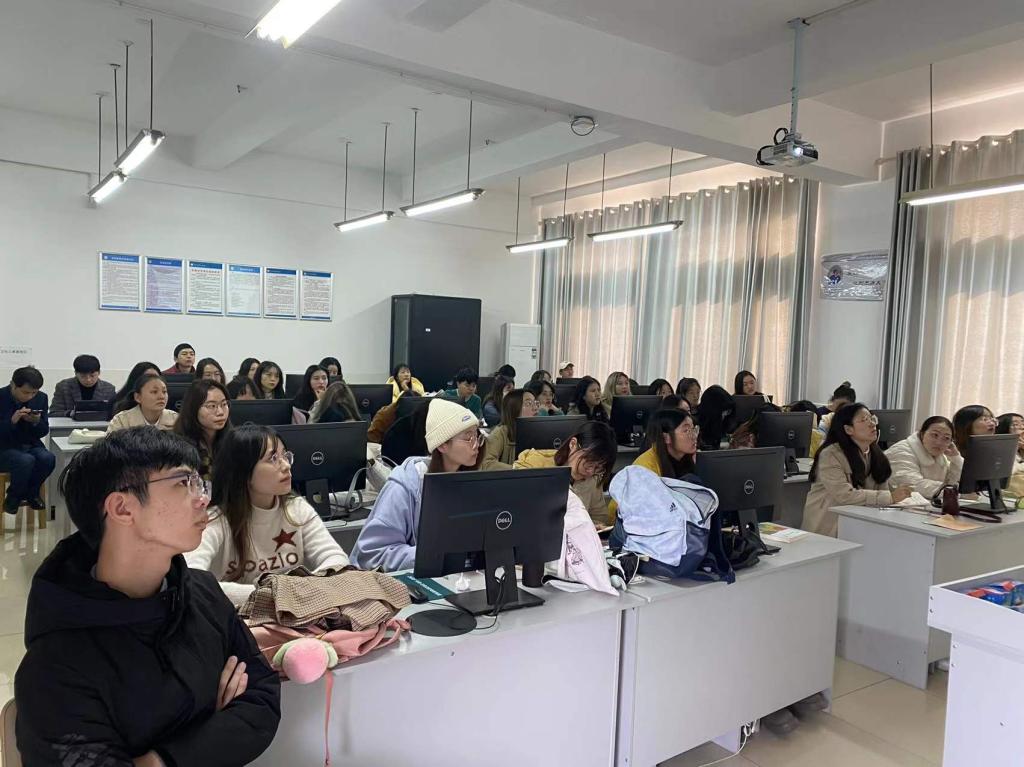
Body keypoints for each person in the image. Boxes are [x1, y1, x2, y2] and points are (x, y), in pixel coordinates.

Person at [15, 427, 281, 765]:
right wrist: (213, 726)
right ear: (122, 508)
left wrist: (159, 760)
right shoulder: (55, 667)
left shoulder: (202, 592)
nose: (203, 498)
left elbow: (263, 696)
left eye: (199, 482)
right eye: (183, 483)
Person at [186, 425, 350, 607]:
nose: (286, 465)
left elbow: (337, 560)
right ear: (244, 471)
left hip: (295, 612)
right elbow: (192, 578)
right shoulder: (215, 520)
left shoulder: (296, 509)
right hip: (237, 618)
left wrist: (297, 592)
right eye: (273, 458)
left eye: (285, 456)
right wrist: (277, 594)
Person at [351, 399, 482, 571]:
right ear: (442, 445)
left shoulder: (467, 482)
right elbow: (373, 554)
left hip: (452, 577)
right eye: (468, 438)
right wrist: (436, 554)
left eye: (477, 436)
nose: (476, 445)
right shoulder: (404, 486)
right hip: (402, 580)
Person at [803, 403, 912, 537]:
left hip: (860, 524)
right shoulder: (831, 455)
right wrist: (889, 497)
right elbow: (844, 495)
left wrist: (896, 496)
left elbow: (883, 491)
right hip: (828, 526)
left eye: (872, 419)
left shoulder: (876, 454)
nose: (872, 424)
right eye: (864, 420)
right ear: (848, 429)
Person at [514, 420, 616, 527]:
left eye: (598, 468)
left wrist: (594, 526)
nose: (590, 472)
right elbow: (518, 509)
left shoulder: (593, 478)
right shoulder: (534, 464)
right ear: (573, 444)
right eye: (589, 463)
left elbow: (599, 517)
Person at [608, 408, 699, 522]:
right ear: (666, 437)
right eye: (686, 431)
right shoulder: (646, 467)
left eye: (694, 429)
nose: (694, 435)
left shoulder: (688, 458)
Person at [0, 367, 54, 514]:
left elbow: (44, 430)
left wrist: (36, 422)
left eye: (34, 393)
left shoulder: (41, 398)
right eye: (25, 392)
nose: (30, 397)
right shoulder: (1, 396)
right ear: (13, 385)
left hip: (30, 444)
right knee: (25, 460)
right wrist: (12, 421)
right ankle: (14, 497)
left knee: (48, 458)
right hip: (4, 448)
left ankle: (31, 492)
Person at [885, 416, 963, 499]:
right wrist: (957, 493)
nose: (939, 442)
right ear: (922, 434)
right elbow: (913, 486)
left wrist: (956, 458)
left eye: (946, 438)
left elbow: (952, 482)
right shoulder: (901, 451)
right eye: (935, 435)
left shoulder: (940, 456)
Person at [173, 380, 233, 481]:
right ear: (193, 409)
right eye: (212, 406)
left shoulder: (233, 441)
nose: (220, 412)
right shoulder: (179, 448)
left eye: (224, 404)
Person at [482, 388, 539, 471]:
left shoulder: (540, 430)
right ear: (514, 408)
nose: (535, 408)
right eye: (529, 403)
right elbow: (486, 464)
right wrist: (516, 469)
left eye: (536, 403)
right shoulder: (500, 432)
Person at [106, 374, 178, 433]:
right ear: (138, 397)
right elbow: (110, 445)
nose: (161, 397)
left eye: (164, 392)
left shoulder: (176, 419)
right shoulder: (122, 421)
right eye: (154, 392)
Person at [48, 354, 117, 416]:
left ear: (99, 372)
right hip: (70, 425)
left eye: (92, 376)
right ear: (76, 373)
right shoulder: (63, 387)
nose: (88, 380)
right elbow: (54, 413)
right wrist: (70, 413)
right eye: (83, 376)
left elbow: (115, 414)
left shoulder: (109, 389)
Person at [696, 385, 735, 450]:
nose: (725, 415)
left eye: (728, 412)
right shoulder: (696, 427)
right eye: (723, 412)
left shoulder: (727, 421)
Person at [996, 413, 1024, 496]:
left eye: (1023, 423)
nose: (1022, 427)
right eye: (1015, 424)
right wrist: (1013, 448)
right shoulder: (999, 450)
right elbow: (1006, 473)